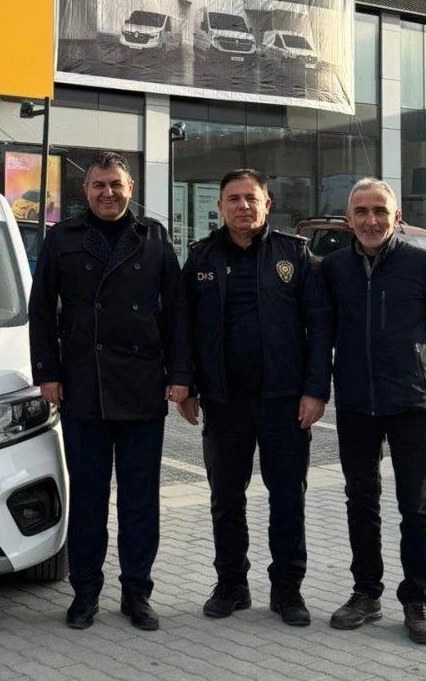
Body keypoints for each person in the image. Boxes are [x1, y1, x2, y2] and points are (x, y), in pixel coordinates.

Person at [28, 152, 188, 631]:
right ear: (86, 190)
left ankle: (137, 593)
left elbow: (177, 311)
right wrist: (47, 373)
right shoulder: (62, 237)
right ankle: (85, 593)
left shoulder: (154, 237)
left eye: (116, 184)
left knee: (140, 500)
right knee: (89, 499)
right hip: (83, 385)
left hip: (142, 385)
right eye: (99, 185)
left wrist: (181, 375)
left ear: (130, 188)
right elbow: (41, 310)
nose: (108, 193)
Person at [176, 169, 332, 627]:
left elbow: (320, 328)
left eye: (251, 198)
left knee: (287, 499)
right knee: (226, 499)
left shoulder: (294, 255)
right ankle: (231, 585)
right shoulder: (201, 258)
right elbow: (182, 325)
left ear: (268, 203)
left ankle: (287, 590)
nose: (242, 206)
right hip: (224, 401)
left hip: (285, 402)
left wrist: (315, 391)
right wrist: (184, 384)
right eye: (233, 199)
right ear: (220, 207)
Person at [322, 178, 426, 645]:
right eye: (361, 211)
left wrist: (414, 365)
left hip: (412, 405)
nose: (371, 220)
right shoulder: (334, 269)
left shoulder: (424, 265)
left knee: (415, 506)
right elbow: (324, 330)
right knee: (360, 501)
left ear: (396, 217)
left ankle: (416, 599)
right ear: (349, 220)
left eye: (380, 210)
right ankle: (366, 593)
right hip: (356, 404)